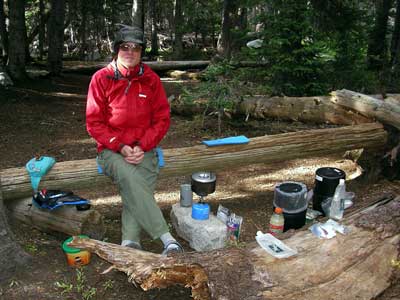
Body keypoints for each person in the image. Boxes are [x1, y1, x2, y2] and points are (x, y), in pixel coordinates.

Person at [86, 24, 183, 255]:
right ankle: (167, 238)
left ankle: (130, 243)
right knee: (132, 179)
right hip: (111, 150)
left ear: (141, 52)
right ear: (116, 50)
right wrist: (120, 146)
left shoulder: (150, 80)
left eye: (136, 48)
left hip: (144, 148)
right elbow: (94, 123)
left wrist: (142, 145)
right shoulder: (102, 79)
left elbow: (162, 119)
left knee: (138, 186)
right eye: (125, 47)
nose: (130, 52)